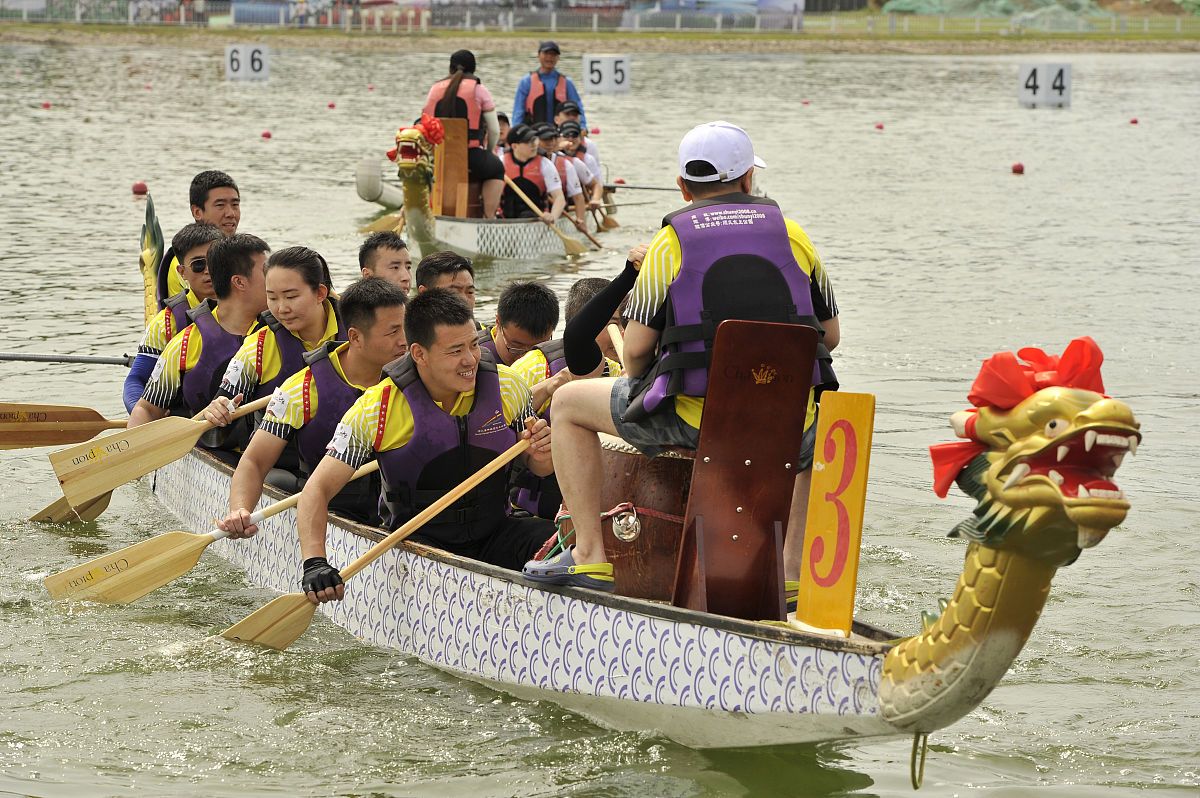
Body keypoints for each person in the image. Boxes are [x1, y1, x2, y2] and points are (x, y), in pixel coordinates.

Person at [523, 121, 840, 593]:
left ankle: (589, 555)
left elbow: (632, 355)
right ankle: (791, 574)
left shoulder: (669, 245)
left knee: (568, 405)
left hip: (696, 419)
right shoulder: (796, 237)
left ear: (683, 188)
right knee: (812, 423)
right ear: (749, 178)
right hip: (788, 425)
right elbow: (829, 338)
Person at [296, 289, 557, 605]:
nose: (470, 360)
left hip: (496, 533)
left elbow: (540, 467)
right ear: (419, 353)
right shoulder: (376, 410)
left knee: (562, 543)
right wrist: (315, 562)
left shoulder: (509, 386)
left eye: (474, 344)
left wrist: (542, 452)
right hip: (418, 546)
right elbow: (316, 490)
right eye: (455, 350)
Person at [215, 277, 409, 537]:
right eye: (393, 332)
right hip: (330, 510)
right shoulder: (302, 389)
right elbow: (254, 461)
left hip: (402, 517)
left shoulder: (421, 378)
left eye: (407, 329)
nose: (405, 342)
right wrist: (239, 510)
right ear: (355, 337)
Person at [129, 233, 270, 430]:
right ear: (239, 282)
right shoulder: (183, 345)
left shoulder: (285, 331)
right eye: (267, 272)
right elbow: (147, 409)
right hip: (211, 448)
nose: (275, 278)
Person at [123, 222, 225, 412]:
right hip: (186, 423)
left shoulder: (252, 309)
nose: (208, 270)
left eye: (215, 260)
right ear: (182, 272)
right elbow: (137, 379)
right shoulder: (164, 324)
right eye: (198, 264)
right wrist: (143, 415)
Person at [421, 49, 504, 219]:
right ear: (473, 70)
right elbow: (494, 130)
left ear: (450, 69)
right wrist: (488, 153)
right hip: (471, 154)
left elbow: (424, 123)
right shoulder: (479, 89)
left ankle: (428, 211)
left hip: (437, 156)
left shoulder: (434, 89)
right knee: (496, 168)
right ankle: (489, 216)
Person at [157, 170, 241, 304]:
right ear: (197, 212)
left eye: (235, 205)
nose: (231, 213)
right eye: (220, 205)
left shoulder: (238, 253)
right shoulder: (186, 262)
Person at [476, 281, 559, 367]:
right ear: (498, 323)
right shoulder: (475, 359)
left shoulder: (557, 359)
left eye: (537, 348)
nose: (525, 360)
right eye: (517, 347)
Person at [500, 124, 565, 223]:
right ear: (514, 146)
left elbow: (559, 198)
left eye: (534, 140)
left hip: (537, 220)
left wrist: (552, 216)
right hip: (505, 220)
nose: (534, 144)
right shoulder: (501, 163)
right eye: (528, 142)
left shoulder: (545, 164)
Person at [535, 122, 586, 224]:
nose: (550, 143)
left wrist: (581, 221)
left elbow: (578, 197)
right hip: (534, 214)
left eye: (553, 139)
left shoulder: (567, 165)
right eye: (545, 140)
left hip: (556, 217)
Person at [559, 121, 603, 212]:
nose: (570, 139)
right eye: (566, 135)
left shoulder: (587, 160)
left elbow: (597, 185)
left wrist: (595, 199)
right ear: (559, 138)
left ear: (581, 138)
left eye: (574, 135)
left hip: (577, 201)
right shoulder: (551, 156)